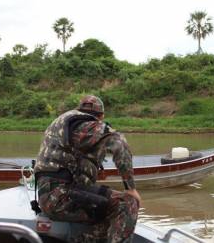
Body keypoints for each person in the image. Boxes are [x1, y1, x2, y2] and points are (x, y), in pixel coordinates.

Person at [34, 95, 140, 243]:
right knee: (128, 203)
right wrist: (130, 188)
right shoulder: (87, 125)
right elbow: (118, 141)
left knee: (105, 207)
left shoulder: (64, 122)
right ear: (101, 116)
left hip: (49, 197)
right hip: (62, 197)